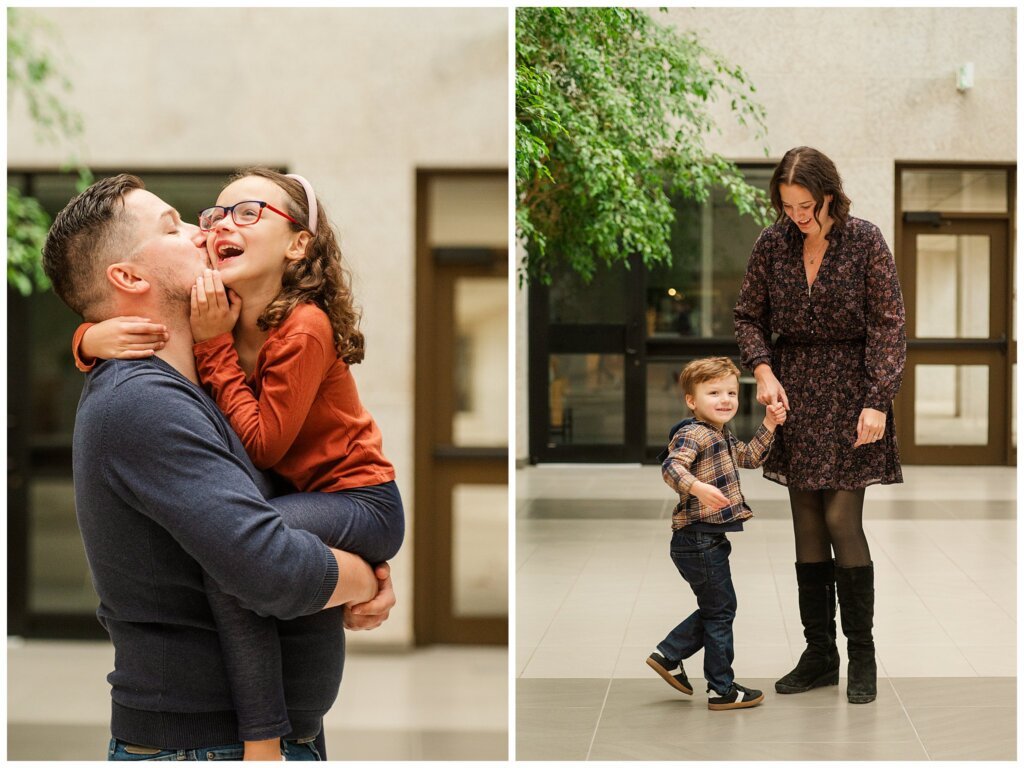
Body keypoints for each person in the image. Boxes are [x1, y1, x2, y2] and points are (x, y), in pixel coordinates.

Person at [41, 174, 395, 761]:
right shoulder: (143, 403)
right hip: (204, 745)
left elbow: (273, 524)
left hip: (254, 740)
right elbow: (267, 565)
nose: (203, 230)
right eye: (173, 225)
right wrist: (363, 576)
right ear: (128, 278)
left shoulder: (205, 381)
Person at [733, 146, 906, 705]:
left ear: (829, 193)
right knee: (806, 518)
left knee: (840, 518)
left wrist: (878, 400)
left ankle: (862, 653)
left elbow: (888, 327)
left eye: (805, 205)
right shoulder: (772, 242)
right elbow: (748, 315)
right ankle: (819, 653)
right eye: (786, 206)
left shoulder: (865, 241)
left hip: (854, 391)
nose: (796, 216)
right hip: (796, 389)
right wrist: (762, 369)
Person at [646, 356, 785, 711]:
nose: (724, 400)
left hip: (707, 538)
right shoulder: (692, 433)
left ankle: (669, 655)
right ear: (692, 400)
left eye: (731, 393)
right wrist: (697, 488)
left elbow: (750, 458)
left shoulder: (720, 434)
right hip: (697, 538)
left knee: (718, 607)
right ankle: (720, 688)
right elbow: (671, 467)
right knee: (720, 611)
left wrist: (769, 422)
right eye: (713, 393)